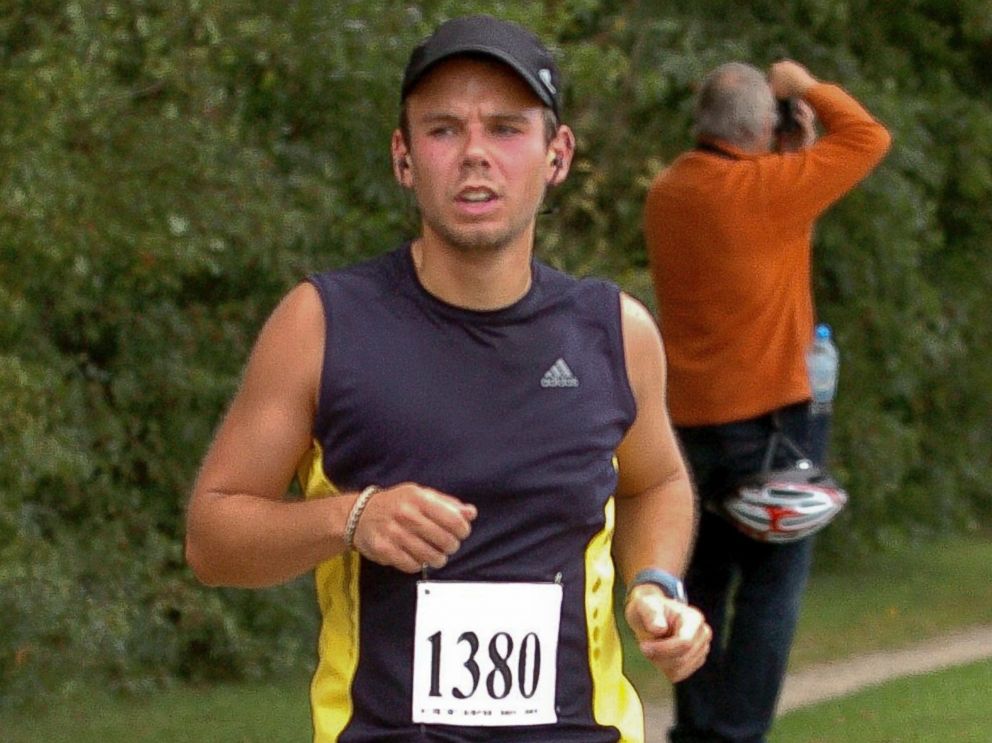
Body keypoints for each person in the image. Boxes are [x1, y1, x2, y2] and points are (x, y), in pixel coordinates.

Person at [186, 14, 711, 743]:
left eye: (505, 128)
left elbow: (655, 480)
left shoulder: (614, 331)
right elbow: (213, 538)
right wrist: (352, 518)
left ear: (557, 154)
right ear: (404, 157)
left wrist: (655, 584)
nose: (474, 155)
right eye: (442, 130)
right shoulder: (323, 324)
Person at [642, 60, 891, 742]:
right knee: (770, 591)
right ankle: (736, 734)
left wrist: (786, 150)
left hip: (690, 428)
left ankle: (696, 730)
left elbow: (761, 228)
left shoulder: (668, 192)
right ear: (760, 127)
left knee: (702, 589)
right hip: (774, 428)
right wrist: (802, 83)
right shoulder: (767, 190)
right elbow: (868, 136)